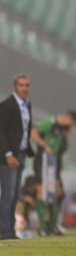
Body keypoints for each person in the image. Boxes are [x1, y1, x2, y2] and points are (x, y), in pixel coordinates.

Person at [31, 111, 76, 236]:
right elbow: (33, 132)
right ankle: (42, 227)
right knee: (42, 191)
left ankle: (52, 225)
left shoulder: (62, 130)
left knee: (57, 192)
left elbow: (59, 146)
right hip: (42, 160)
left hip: (54, 162)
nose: (71, 127)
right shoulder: (50, 123)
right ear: (67, 118)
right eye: (71, 123)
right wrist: (44, 145)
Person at [0, 74, 34, 240]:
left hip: (20, 154)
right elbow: (1, 131)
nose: (24, 88)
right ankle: (3, 230)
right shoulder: (6, 105)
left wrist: (27, 149)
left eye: (27, 85)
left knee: (14, 195)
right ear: (14, 87)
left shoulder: (27, 105)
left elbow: (24, 130)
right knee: (7, 194)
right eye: (21, 85)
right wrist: (8, 154)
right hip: (9, 156)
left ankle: (10, 230)